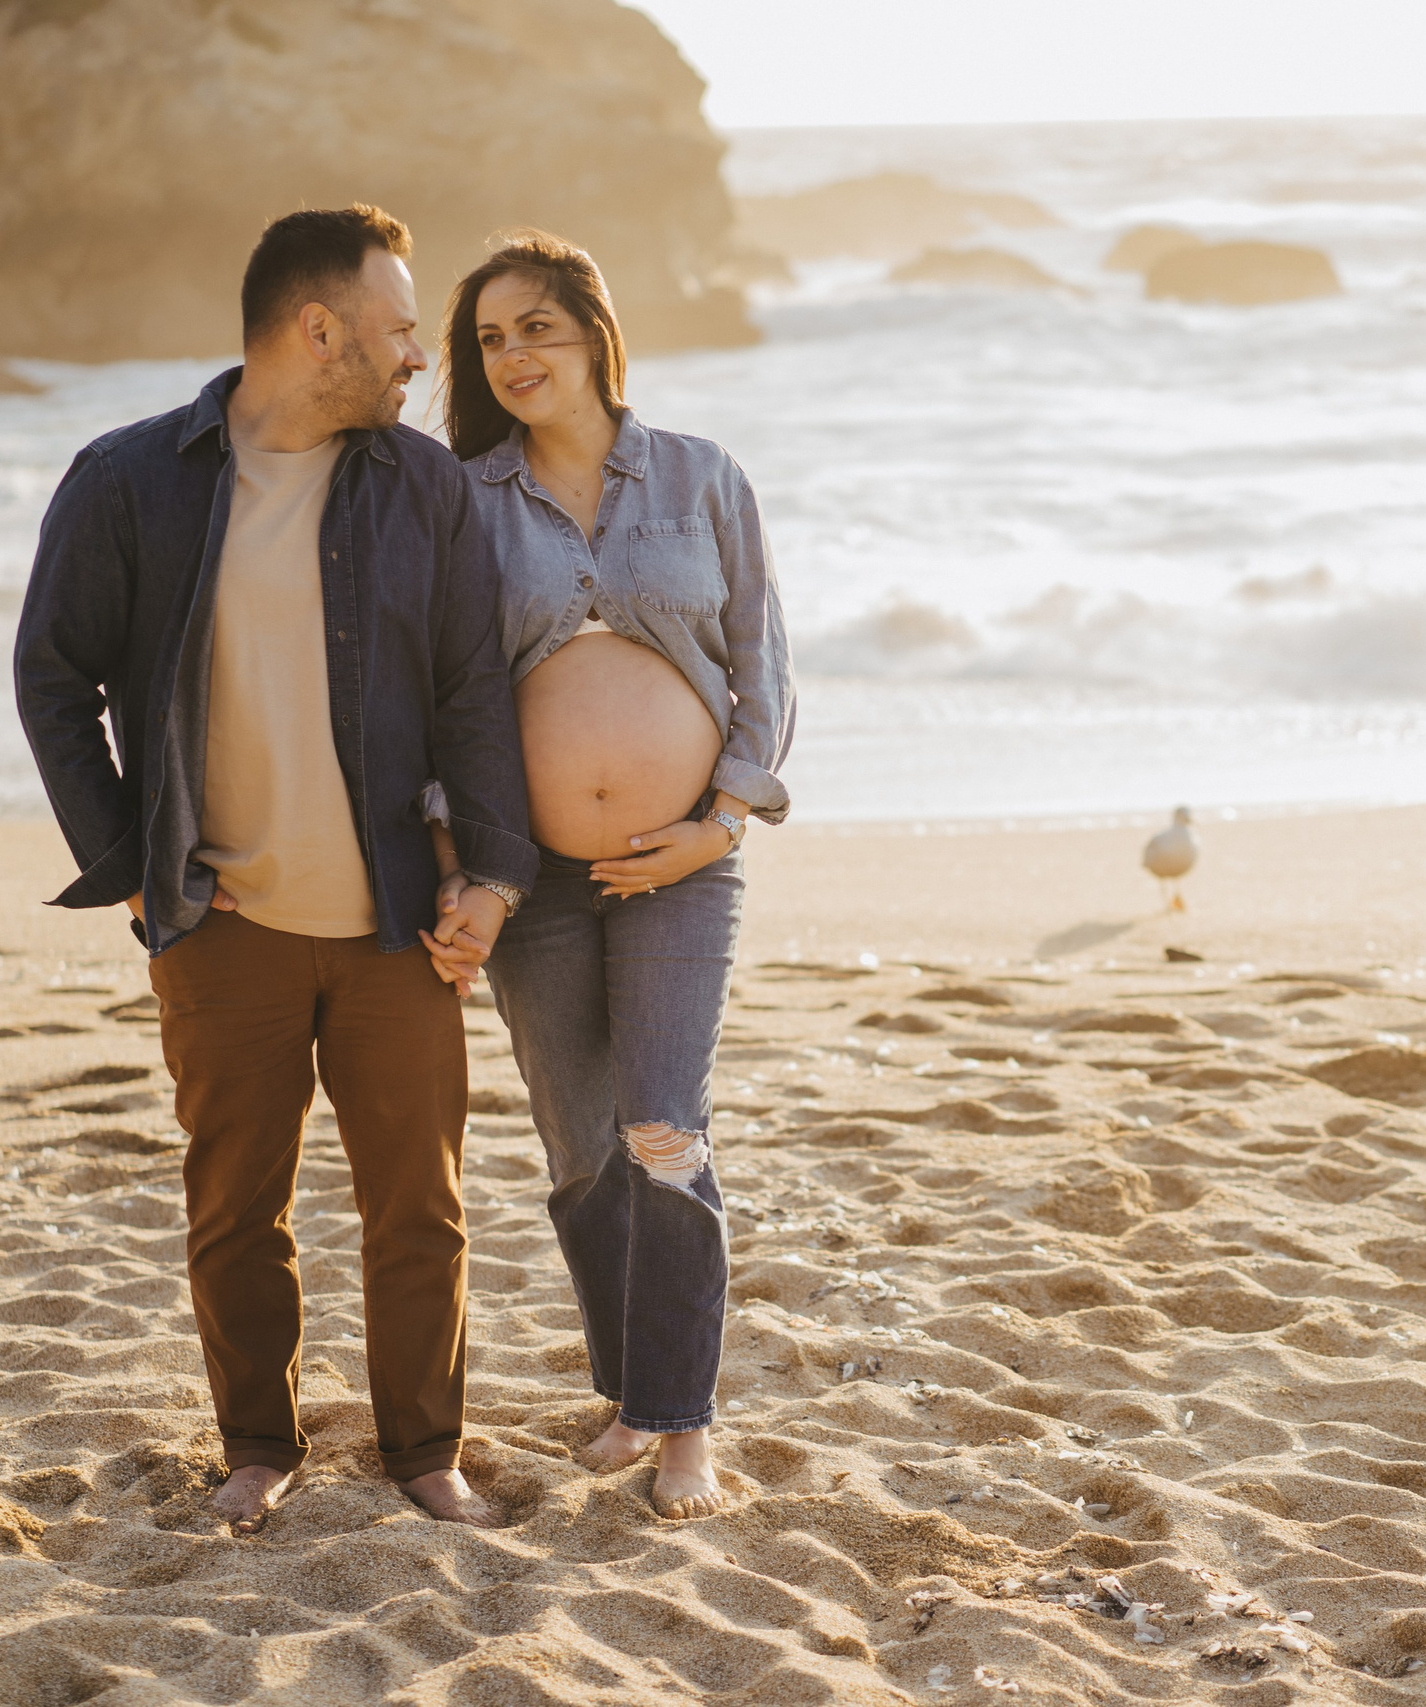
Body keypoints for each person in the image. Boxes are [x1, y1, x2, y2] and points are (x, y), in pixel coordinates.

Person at [14, 205, 535, 1534]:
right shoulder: (130, 480)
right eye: (402, 329)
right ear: (321, 330)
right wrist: (132, 861)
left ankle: (427, 1453)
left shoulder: (421, 490)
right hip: (221, 924)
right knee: (236, 1210)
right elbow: (53, 673)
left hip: (399, 926)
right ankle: (259, 1445)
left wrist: (493, 875)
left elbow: (476, 693)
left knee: (419, 1207)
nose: (421, 357)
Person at [432, 230, 793, 1520]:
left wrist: (726, 818)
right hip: (529, 875)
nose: (514, 356)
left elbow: (763, 656)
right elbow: (440, 700)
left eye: (538, 327)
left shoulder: (699, 477)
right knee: (582, 1148)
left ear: (594, 330)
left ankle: (683, 1422)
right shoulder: (463, 500)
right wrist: (467, 857)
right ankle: (633, 1392)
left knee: (660, 1129)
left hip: (679, 867)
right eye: (489, 340)